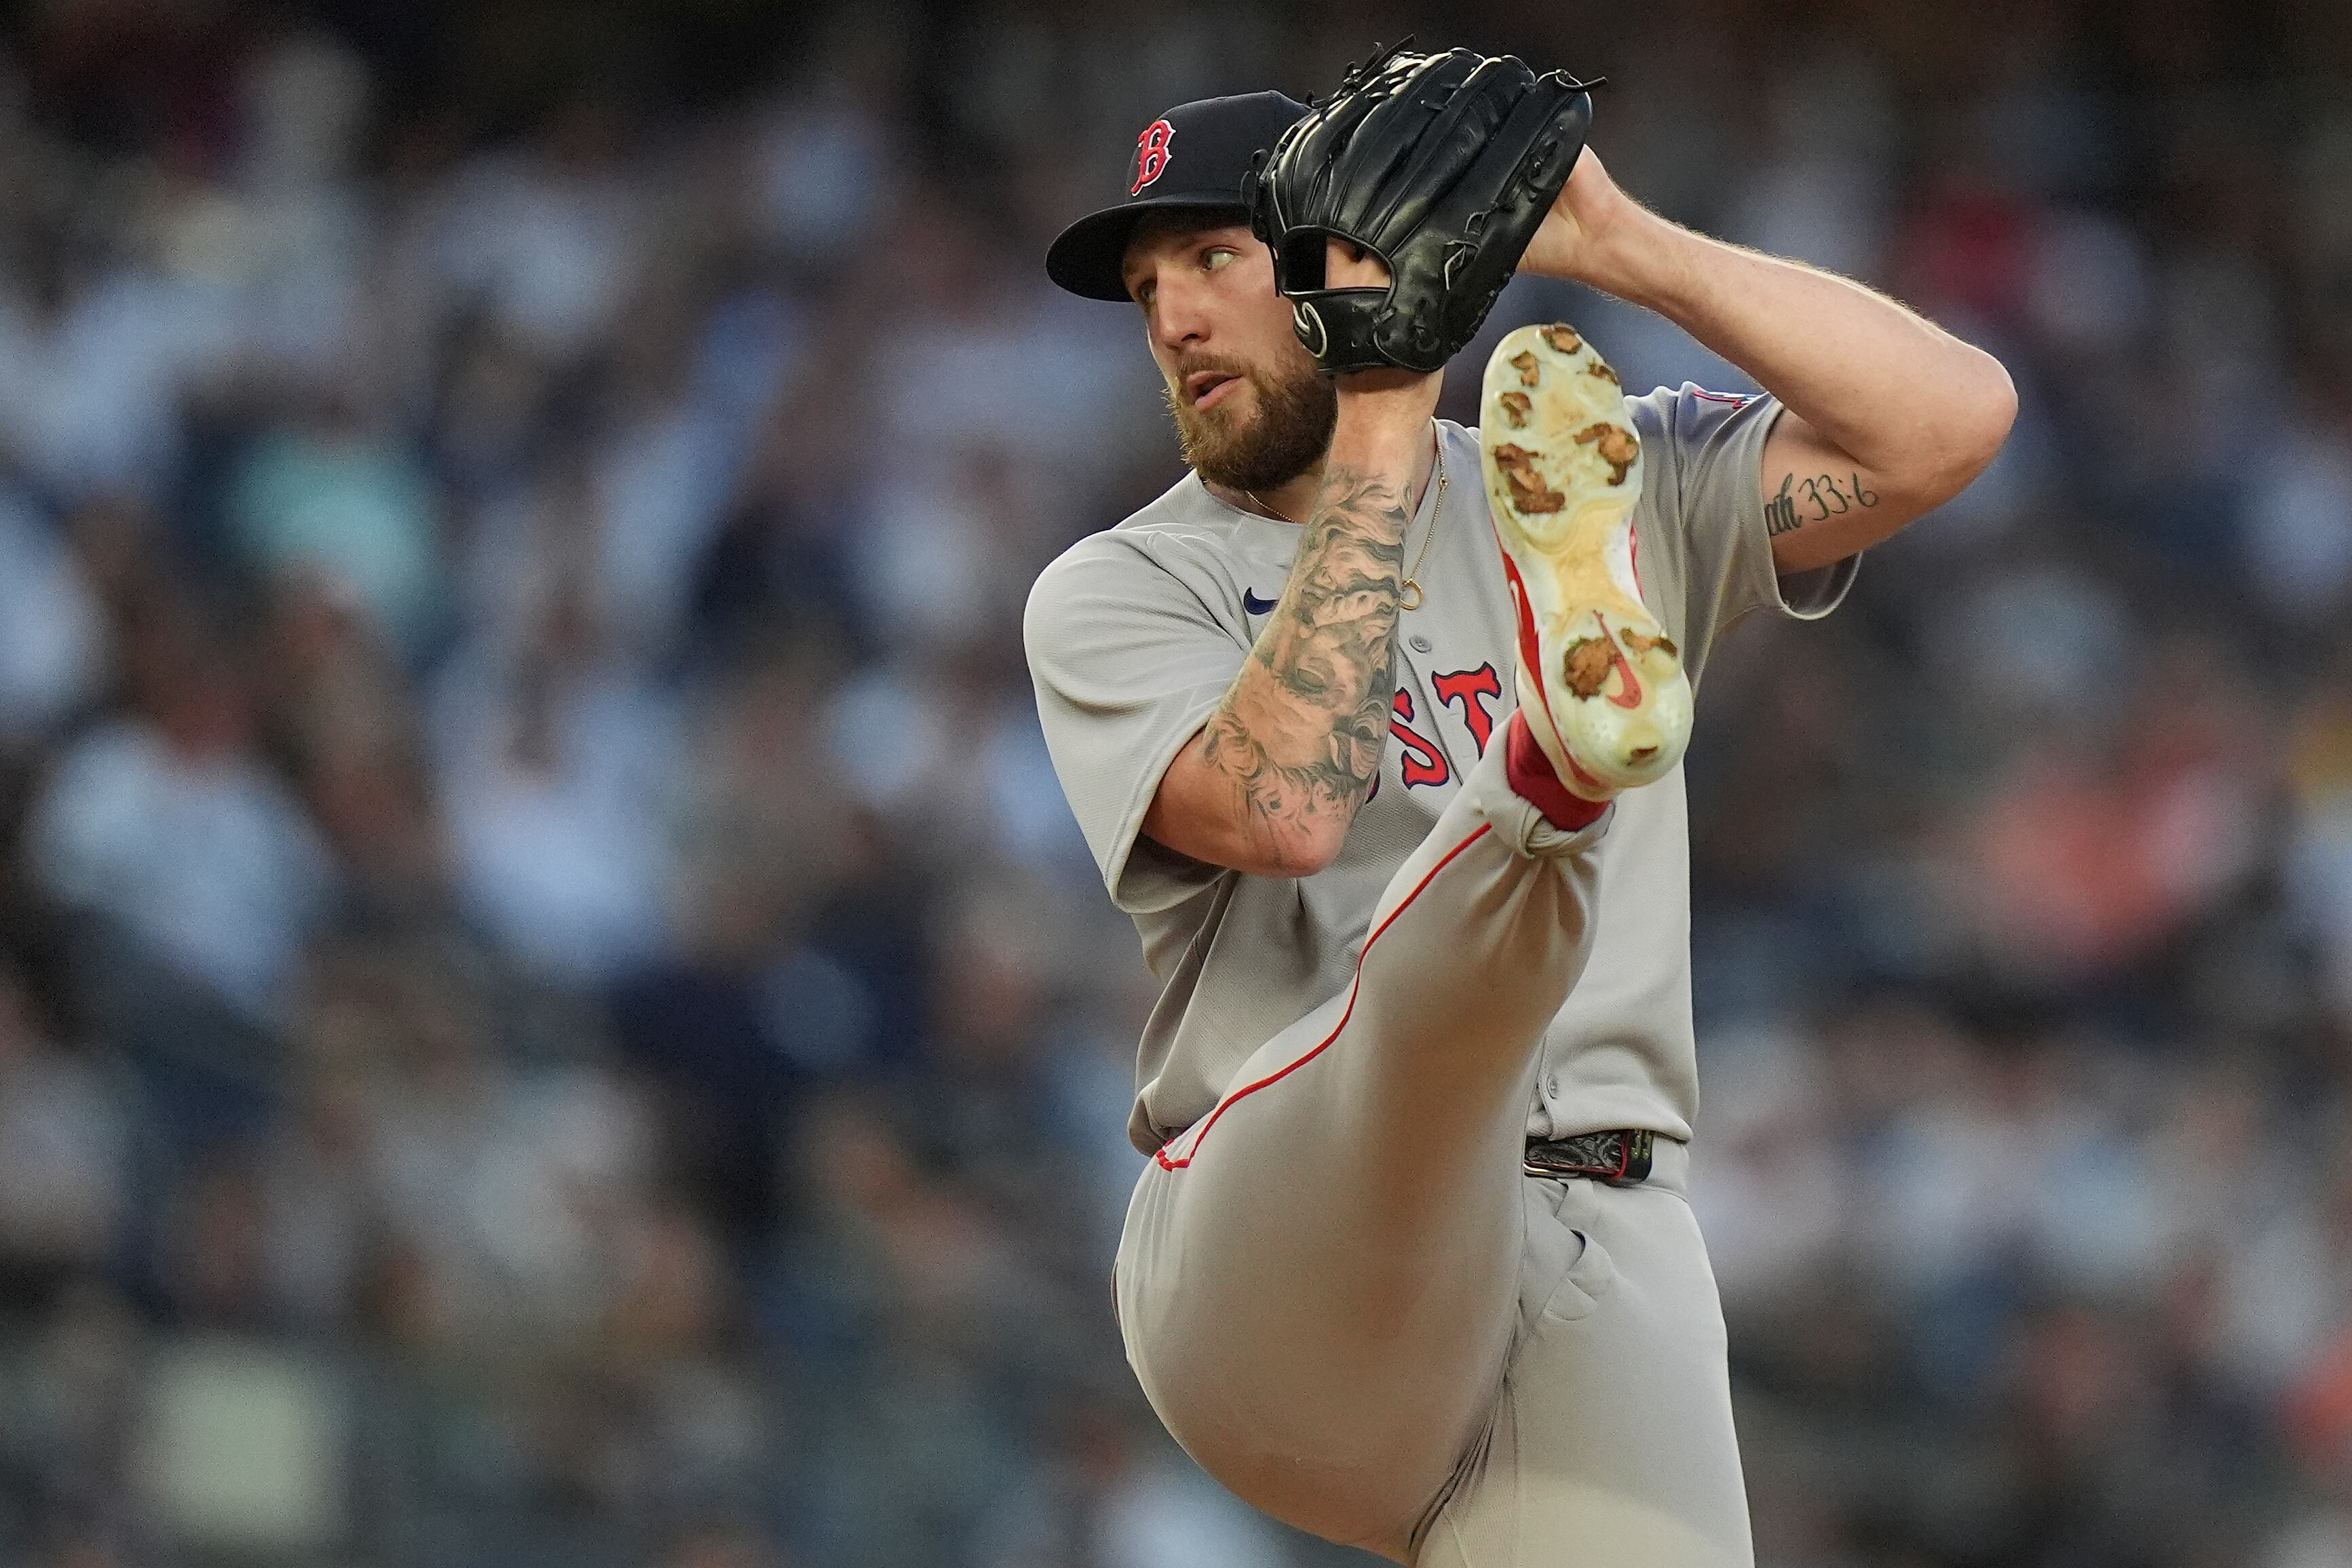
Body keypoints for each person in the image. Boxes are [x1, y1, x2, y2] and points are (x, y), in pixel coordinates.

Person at [1024, 75, 2013, 1567]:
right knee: (1441, 999)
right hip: (1287, 1246)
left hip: (1596, 1242)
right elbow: (1284, 809)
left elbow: (1948, 426)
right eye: (1145, 288)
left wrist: (1617, 245)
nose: (1170, 321)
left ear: (1342, 256)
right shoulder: (1120, 586)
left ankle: (1560, 760)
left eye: (1213, 259)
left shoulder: (1571, 480)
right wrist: (1383, 409)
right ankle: (1555, 761)